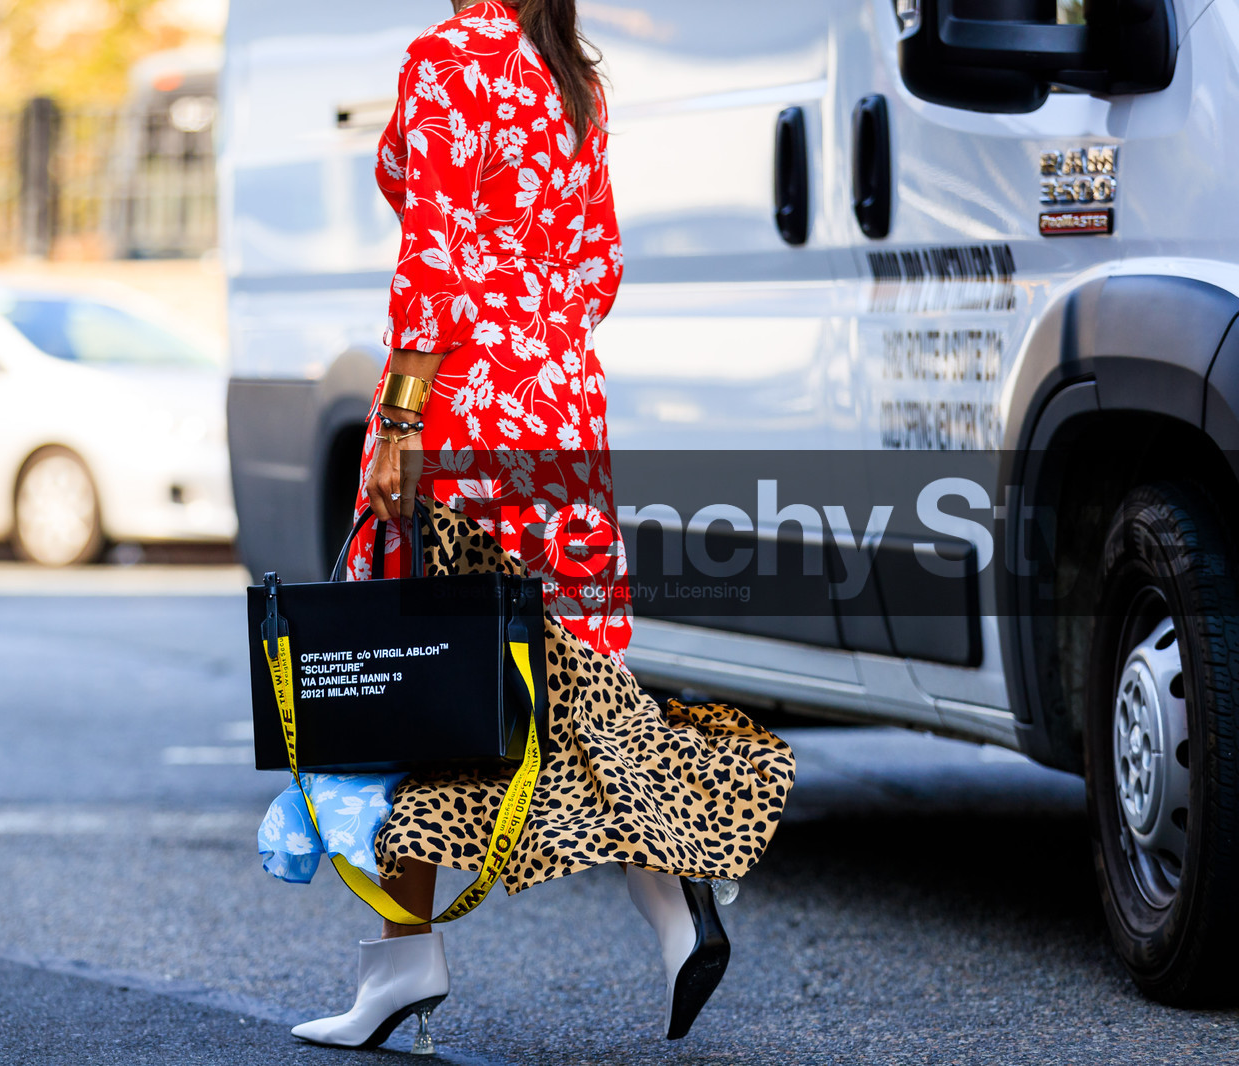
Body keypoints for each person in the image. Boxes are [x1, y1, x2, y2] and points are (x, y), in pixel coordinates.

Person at [256, 0, 796, 1050]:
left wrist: (402, 415)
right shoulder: (569, 76)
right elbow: (597, 262)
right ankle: (660, 906)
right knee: (548, 667)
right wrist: (534, 344)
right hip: (560, 400)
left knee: (410, 670)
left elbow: (435, 254)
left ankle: (409, 956)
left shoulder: (452, 56)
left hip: (463, 409)